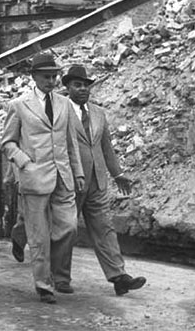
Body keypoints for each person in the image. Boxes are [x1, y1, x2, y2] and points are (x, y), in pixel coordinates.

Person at [1, 52, 84, 304]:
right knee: (39, 235)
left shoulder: (64, 104)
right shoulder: (19, 105)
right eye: (46, 76)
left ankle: (22, 237)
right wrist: (24, 163)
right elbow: (8, 142)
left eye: (54, 76)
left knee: (68, 227)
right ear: (34, 77)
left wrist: (78, 172)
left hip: (63, 176)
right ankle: (43, 284)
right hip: (34, 177)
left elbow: (71, 142)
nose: (51, 81)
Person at [58, 64, 146, 296]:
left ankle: (119, 276)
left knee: (104, 228)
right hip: (70, 181)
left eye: (86, 85)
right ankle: (60, 277)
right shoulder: (59, 110)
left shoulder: (97, 113)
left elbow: (106, 146)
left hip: (97, 181)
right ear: (67, 87)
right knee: (66, 230)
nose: (83, 89)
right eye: (77, 85)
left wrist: (117, 173)